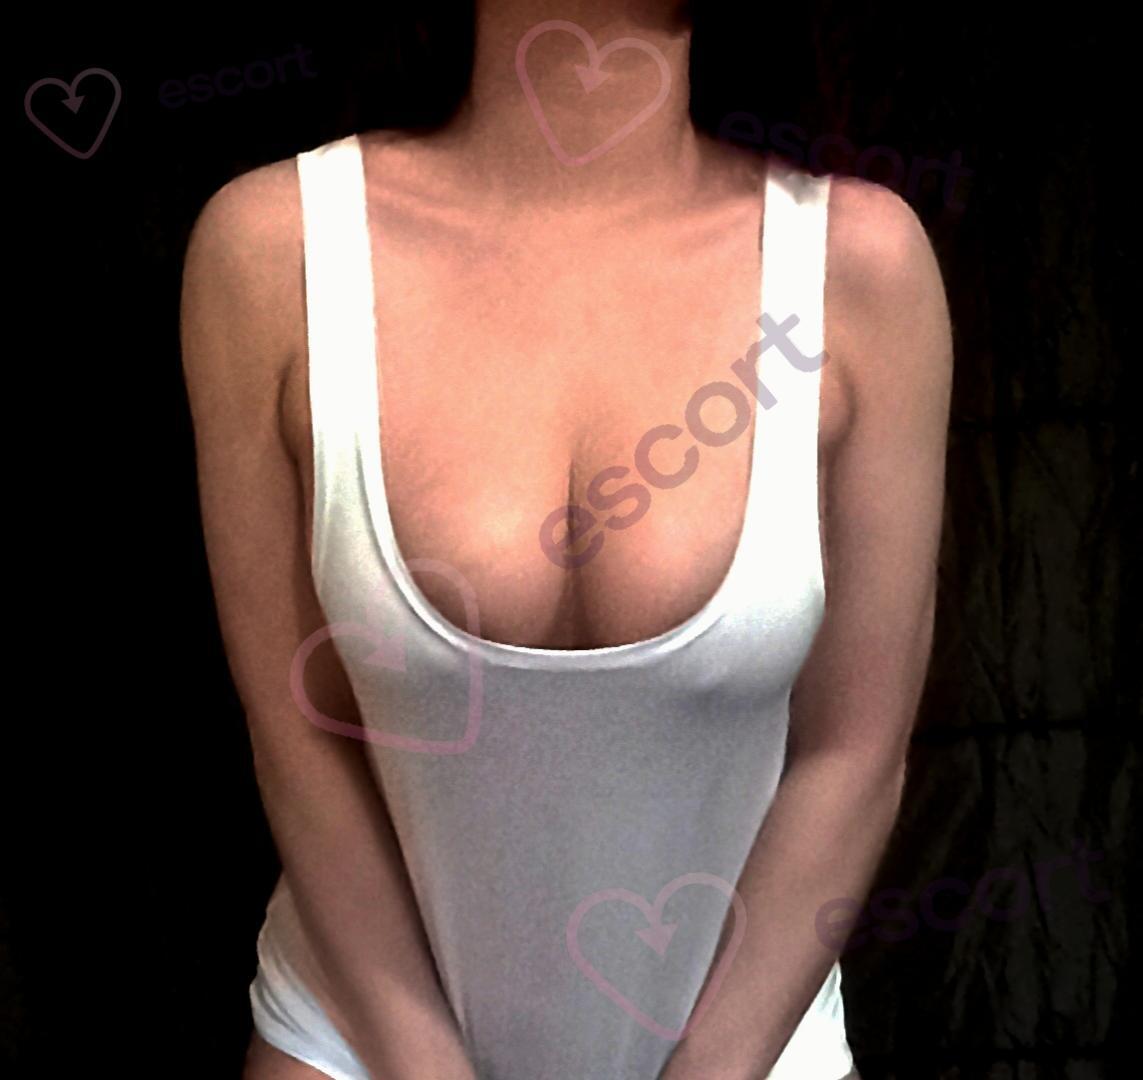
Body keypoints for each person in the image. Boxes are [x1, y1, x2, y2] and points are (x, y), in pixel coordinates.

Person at [180, 2, 952, 1077]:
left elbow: (854, 754)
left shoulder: (861, 270)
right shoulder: (275, 252)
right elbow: (295, 733)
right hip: (356, 1044)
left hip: (746, 1054)